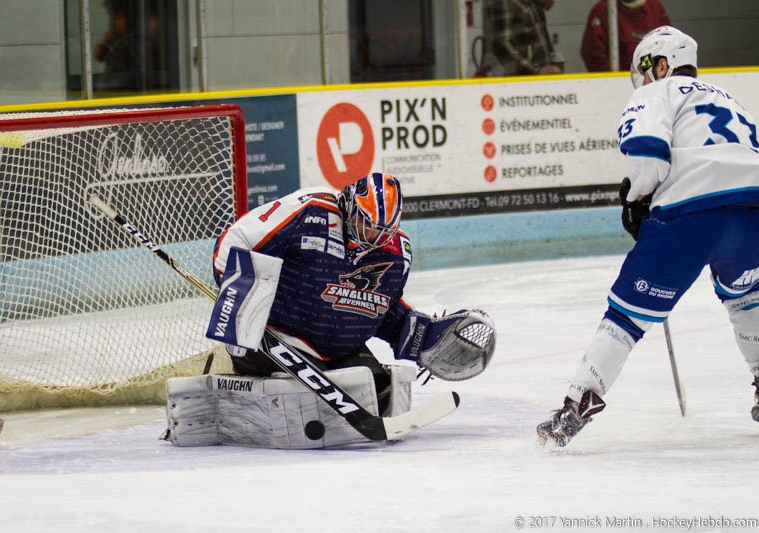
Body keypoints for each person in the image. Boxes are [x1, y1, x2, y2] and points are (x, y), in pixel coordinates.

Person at [537, 26, 759, 447]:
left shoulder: (660, 91)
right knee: (748, 298)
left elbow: (648, 150)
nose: (641, 79)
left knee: (627, 314)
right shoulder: (727, 98)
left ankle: (580, 401)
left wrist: (640, 199)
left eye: (644, 68)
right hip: (754, 212)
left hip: (693, 214)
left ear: (662, 63)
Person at [165, 173, 496, 448]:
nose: (375, 237)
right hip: (276, 338)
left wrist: (418, 336)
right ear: (351, 206)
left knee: (375, 389)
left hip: (339, 350)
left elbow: (382, 309)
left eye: (384, 230)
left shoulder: (398, 253)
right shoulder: (311, 210)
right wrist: (241, 302)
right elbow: (236, 239)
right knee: (303, 397)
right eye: (368, 226)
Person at [581, 0, 671, 72]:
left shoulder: (655, 7)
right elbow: (593, 55)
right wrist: (614, 80)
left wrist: (649, 74)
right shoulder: (602, 10)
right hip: (617, 84)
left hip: (652, 81)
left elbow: (668, 46)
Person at [486, 0, 562, 76]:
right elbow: (501, 43)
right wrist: (536, 70)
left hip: (544, 72)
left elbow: (537, 30)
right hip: (526, 77)